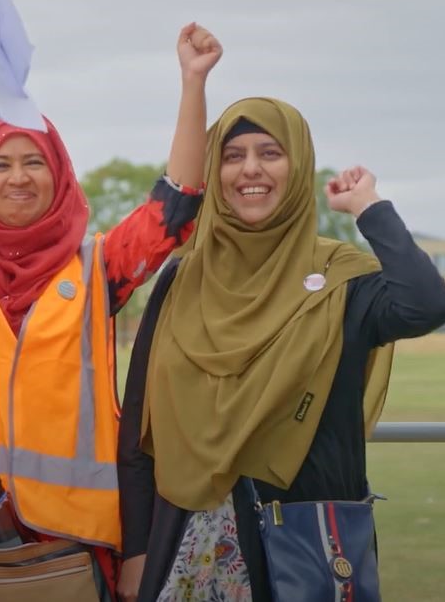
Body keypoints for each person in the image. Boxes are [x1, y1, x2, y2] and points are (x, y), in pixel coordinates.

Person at [0, 23, 222, 602]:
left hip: (70, 539)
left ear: (60, 175)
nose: (19, 177)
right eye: (0, 164)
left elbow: (175, 205)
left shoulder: (98, 265)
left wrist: (192, 82)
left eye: (35, 162)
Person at [116, 97, 445, 601]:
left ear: (298, 166)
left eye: (270, 153)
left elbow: (424, 305)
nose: (250, 168)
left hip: (308, 544)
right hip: (189, 552)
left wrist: (368, 207)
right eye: (232, 155)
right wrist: (136, 552)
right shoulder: (183, 277)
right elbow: (141, 427)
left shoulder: (341, 280)